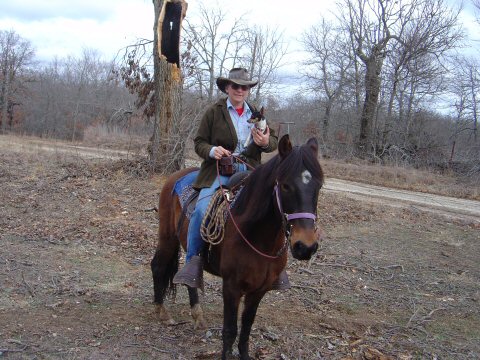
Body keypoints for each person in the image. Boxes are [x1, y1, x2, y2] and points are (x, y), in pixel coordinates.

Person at [173, 67, 290, 290]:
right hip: (219, 170)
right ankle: (194, 262)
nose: (240, 90)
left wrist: (265, 142)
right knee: (202, 208)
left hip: (250, 171)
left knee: (276, 206)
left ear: (248, 90)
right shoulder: (214, 112)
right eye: (235, 86)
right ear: (227, 87)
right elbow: (199, 142)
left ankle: (276, 266)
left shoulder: (256, 113)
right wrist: (212, 150)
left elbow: (273, 141)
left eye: (244, 87)